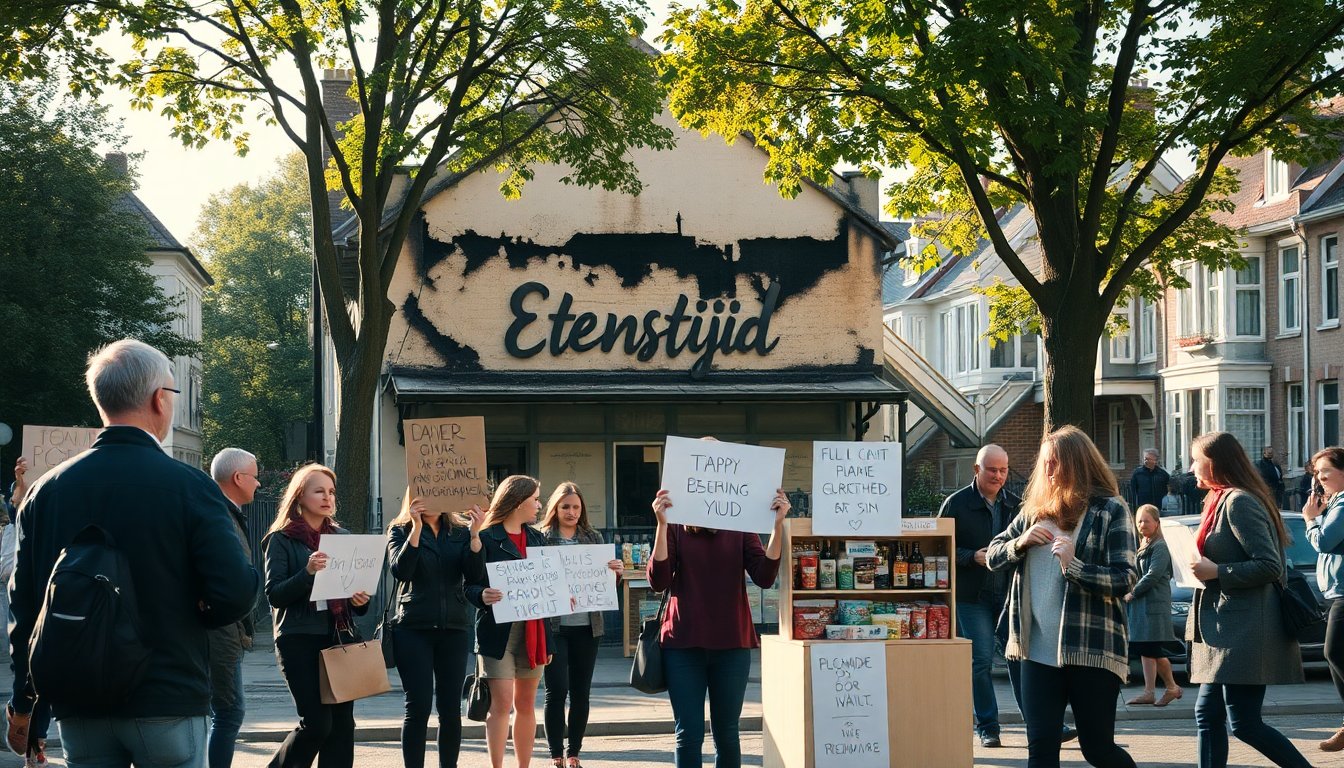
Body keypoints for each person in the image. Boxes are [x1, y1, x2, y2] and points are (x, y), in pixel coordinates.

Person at [8, 339, 259, 767]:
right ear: (160, 400)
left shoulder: (45, 491)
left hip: (79, 700)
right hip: (168, 693)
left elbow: (27, 605)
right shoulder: (190, 486)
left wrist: (24, 701)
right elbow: (235, 590)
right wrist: (198, 610)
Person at [987, 425, 1137, 768]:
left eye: (1055, 463)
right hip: (1036, 651)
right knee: (1040, 748)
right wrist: (1019, 543)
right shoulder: (1033, 511)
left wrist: (1075, 567)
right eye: (1045, 464)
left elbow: (1126, 578)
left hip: (1091, 649)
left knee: (1097, 749)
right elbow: (993, 555)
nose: (1048, 471)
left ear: (1077, 464)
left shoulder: (1110, 510)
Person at [648, 450, 789, 768]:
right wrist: (661, 524)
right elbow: (658, 580)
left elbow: (765, 576)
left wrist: (777, 526)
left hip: (732, 645)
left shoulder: (740, 525)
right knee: (689, 734)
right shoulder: (676, 526)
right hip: (683, 645)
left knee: (727, 733)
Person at [1185, 431, 1310, 768]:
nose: (1191, 466)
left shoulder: (1240, 501)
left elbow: (1270, 565)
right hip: (1224, 628)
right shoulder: (1217, 500)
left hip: (1244, 631)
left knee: (1245, 724)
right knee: (1207, 715)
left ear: (1213, 463)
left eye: (1196, 459)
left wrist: (1218, 572)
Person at [262, 464, 372, 767]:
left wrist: (359, 599)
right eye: (319, 491)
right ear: (300, 496)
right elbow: (275, 595)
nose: (328, 497)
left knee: (341, 726)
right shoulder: (281, 539)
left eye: (331, 492)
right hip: (298, 639)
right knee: (317, 723)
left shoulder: (342, 536)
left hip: (337, 638)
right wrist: (308, 572)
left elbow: (354, 599)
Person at [386, 492, 487, 768]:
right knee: (417, 708)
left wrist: (475, 535)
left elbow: (475, 575)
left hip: (453, 629)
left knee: (450, 711)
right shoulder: (400, 530)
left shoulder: (459, 532)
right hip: (413, 628)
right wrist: (416, 529)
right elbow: (401, 570)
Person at [466, 475, 553, 768]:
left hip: (533, 630)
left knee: (526, 704)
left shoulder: (539, 538)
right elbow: (470, 585)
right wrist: (482, 595)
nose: (540, 505)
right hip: (497, 632)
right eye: (536, 499)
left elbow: (551, 587)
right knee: (501, 703)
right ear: (517, 502)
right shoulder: (487, 537)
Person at [937, 444, 1017, 747]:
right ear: (976, 470)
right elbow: (937, 549)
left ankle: (1039, 723)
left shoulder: (1016, 505)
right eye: (992, 470)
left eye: (1003, 470)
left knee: (1021, 659)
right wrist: (972, 556)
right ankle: (988, 727)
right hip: (973, 597)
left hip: (1010, 595)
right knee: (981, 661)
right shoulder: (955, 504)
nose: (998, 476)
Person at [538, 483, 623, 768]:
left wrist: (616, 574)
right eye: (565, 507)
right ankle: (555, 755)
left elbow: (605, 584)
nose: (571, 512)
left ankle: (574, 752)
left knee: (580, 691)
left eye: (576, 507)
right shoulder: (540, 538)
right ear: (555, 509)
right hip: (554, 627)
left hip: (588, 626)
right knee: (556, 689)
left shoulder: (594, 537)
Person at [207, 448, 262, 768]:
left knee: (220, 711)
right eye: (255, 476)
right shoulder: (221, 517)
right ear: (238, 478)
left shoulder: (216, 512)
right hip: (222, 630)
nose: (258, 484)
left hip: (224, 629)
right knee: (229, 712)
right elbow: (235, 576)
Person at [3, 458, 49, 768]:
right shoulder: (17, 525)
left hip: (56, 606)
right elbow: (8, 568)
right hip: (27, 608)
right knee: (29, 675)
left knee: (47, 678)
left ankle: (37, 743)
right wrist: (20, 485)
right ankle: (18, 711)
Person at [1304, 446, 1344, 751]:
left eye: (1325, 471)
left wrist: (1310, 520)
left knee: (1334, 652)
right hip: (1337, 593)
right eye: (1317, 473)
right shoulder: (1336, 503)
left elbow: (1325, 542)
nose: (1320, 478)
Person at [1123, 504, 1181, 707]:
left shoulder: (1160, 546)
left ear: (1157, 523)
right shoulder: (1143, 545)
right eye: (1139, 520)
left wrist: (1133, 592)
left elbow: (1153, 575)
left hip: (1154, 606)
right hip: (1142, 607)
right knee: (1146, 649)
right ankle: (1151, 691)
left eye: (1146, 520)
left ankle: (1170, 687)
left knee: (1152, 649)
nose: (1142, 524)